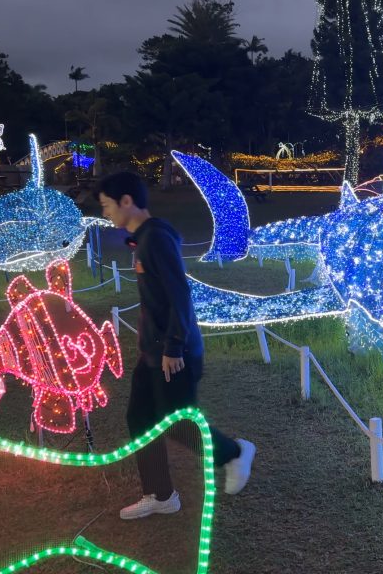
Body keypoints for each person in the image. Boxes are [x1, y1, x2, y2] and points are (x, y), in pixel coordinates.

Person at [98, 172, 255, 520]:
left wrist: (173, 346)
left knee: (177, 423)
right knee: (140, 418)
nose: (106, 213)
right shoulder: (144, 239)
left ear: (127, 201)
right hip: (153, 352)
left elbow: (180, 294)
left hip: (173, 354)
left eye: (107, 205)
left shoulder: (156, 239)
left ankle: (234, 453)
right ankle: (161, 495)